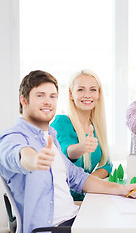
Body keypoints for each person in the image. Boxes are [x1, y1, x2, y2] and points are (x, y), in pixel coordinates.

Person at [0, 70, 136, 233]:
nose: (48, 101)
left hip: (75, 218)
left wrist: (122, 189)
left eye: (52, 96)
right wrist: (35, 160)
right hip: (53, 228)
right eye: (40, 95)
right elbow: (19, 154)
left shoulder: (49, 137)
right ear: (24, 100)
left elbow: (78, 178)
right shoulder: (11, 137)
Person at [51, 70, 112, 201]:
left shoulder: (96, 126)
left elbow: (107, 165)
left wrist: (89, 181)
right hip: (65, 201)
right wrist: (82, 147)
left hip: (86, 198)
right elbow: (66, 153)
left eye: (93, 90)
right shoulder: (61, 122)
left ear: (99, 94)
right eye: (80, 90)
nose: (87, 95)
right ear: (71, 94)